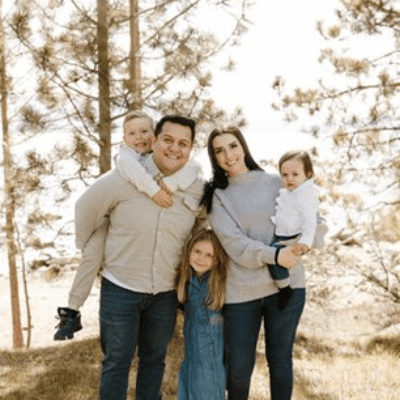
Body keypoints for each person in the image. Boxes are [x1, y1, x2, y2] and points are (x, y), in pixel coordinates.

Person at [61, 115, 204, 400]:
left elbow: (202, 228)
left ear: (190, 148)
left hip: (164, 293)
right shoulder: (123, 177)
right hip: (120, 289)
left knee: (154, 362)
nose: (175, 148)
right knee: (116, 363)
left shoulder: (197, 187)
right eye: (168, 139)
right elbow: (84, 210)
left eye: (183, 143)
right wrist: (93, 251)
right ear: (154, 140)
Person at [200, 126, 327, 400]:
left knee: (280, 361)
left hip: (288, 286)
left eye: (233, 146)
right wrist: (275, 255)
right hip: (241, 292)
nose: (228, 155)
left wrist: (301, 245)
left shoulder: (277, 181)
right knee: (237, 368)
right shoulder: (217, 196)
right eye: (218, 150)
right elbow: (235, 246)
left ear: (243, 146)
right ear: (213, 157)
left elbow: (315, 221)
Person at [175, 228, 229, 400]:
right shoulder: (187, 280)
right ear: (189, 251)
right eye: (197, 251)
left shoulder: (217, 284)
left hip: (210, 357)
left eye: (209, 255)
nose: (201, 258)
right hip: (191, 355)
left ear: (216, 260)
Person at [267, 150, 319, 310]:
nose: (289, 179)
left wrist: (305, 241)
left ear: (308, 174)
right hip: (282, 232)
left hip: (293, 236)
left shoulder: (306, 195)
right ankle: (279, 285)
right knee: (267, 253)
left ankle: (285, 289)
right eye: (284, 175)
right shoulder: (290, 191)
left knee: (273, 254)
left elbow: (310, 221)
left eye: (295, 174)